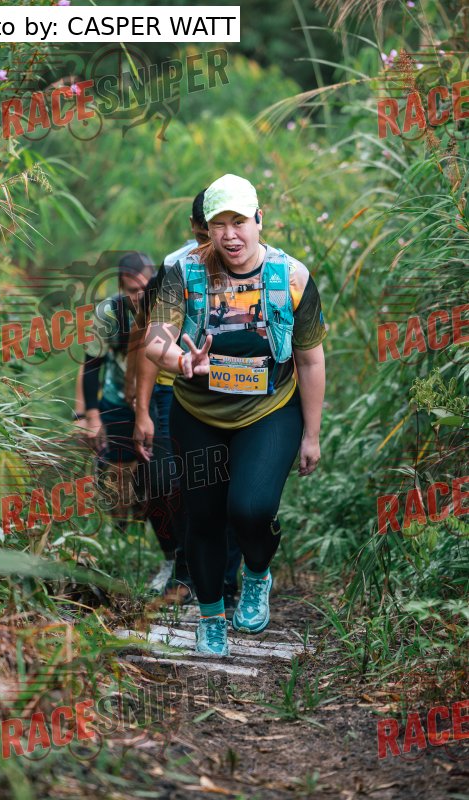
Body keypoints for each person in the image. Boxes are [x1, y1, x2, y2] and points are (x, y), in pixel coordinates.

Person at [145, 174, 327, 656]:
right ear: (205, 228)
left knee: (251, 509)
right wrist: (182, 361)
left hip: (269, 410)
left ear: (259, 220)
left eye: (239, 222)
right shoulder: (183, 272)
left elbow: (310, 360)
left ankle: (258, 573)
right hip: (197, 412)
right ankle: (210, 618)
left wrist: (312, 434)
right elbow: (155, 340)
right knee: (203, 518)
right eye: (219, 224)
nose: (230, 235)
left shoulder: (292, 278)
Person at [130, 190, 242, 608]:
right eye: (207, 232)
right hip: (173, 388)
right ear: (197, 227)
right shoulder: (175, 267)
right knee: (171, 482)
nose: (216, 244)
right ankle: (185, 565)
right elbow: (150, 340)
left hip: (235, 390)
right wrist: (142, 409)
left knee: (229, 486)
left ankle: (225, 581)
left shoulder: (253, 265)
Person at [79, 251, 179, 555]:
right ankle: (122, 539)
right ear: (122, 288)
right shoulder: (109, 313)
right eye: (132, 290)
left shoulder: (169, 309)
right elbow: (91, 364)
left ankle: (166, 546)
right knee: (117, 476)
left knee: (157, 476)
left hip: (159, 398)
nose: (139, 296)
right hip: (117, 400)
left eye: (144, 288)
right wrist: (90, 415)